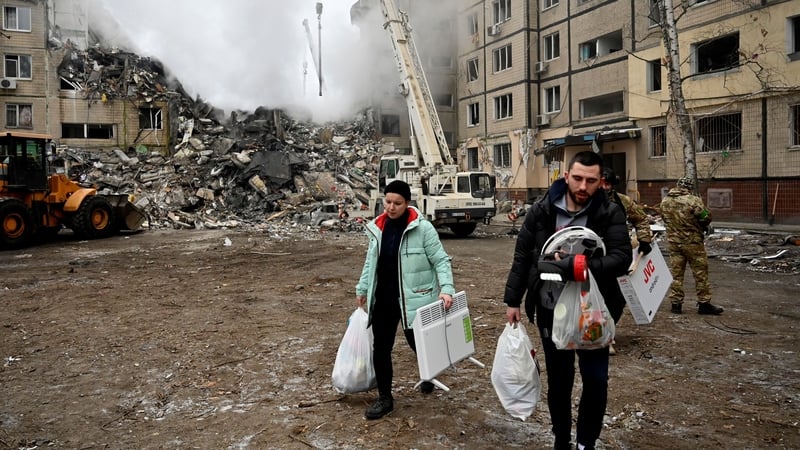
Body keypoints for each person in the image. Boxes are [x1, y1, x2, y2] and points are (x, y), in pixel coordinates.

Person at [504, 151, 632, 450]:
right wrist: (512, 300)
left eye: (591, 180)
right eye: (577, 178)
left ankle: (586, 441)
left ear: (601, 182)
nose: (583, 187)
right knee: (560, 382)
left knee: (596, 380)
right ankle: (561, 439)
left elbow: (622, 258)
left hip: (593, 313)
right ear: (566, 176)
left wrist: (582, 265)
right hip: (551, 309)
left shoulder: (610, 212)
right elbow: (523, 256)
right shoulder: (542, 210)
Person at [355, 180, 455, 420]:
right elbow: (371, 262)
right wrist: (362, 287)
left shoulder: (423, 229)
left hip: (414, 300)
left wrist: (447, 288)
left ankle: (428, 374)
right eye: (387, 202)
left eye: (397, 203)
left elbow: (441, 260)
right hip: (384, 300)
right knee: (381, 348)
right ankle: (385, 398)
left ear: (407, 203)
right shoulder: (378, 228)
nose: (391, 207)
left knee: (418, 344)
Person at [600, 167, 655, 355]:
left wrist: (644, 239)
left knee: (617, 298)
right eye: (601, 183)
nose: (604, 187)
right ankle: (601, 336)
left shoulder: (622, 201)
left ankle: (608, 330)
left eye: (608, 184)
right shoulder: (585, 201)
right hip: (594, 258)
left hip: (618, 256)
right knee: (594, 297)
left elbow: (641, 220)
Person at [659, 176, 723, 315]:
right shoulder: (693, 200)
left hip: (674, 243)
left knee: (677, 274)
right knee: (700, 274)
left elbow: (664, 219)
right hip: (693, 243)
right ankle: (704, 304)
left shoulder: (665, 201)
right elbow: (706, 217)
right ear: (689, 187)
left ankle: (676, 304)